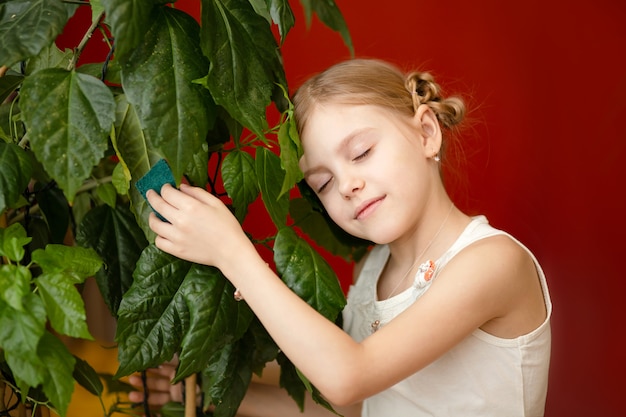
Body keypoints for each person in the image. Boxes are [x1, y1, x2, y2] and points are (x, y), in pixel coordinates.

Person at [132, 58, 552, 416]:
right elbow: (352, 405)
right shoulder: (372, 271)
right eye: (324, 182)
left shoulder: (491, 262)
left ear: (426, 132)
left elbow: (348, 377)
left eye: (362, 153)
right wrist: (208, 391)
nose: (348, 185)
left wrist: (233, 253)